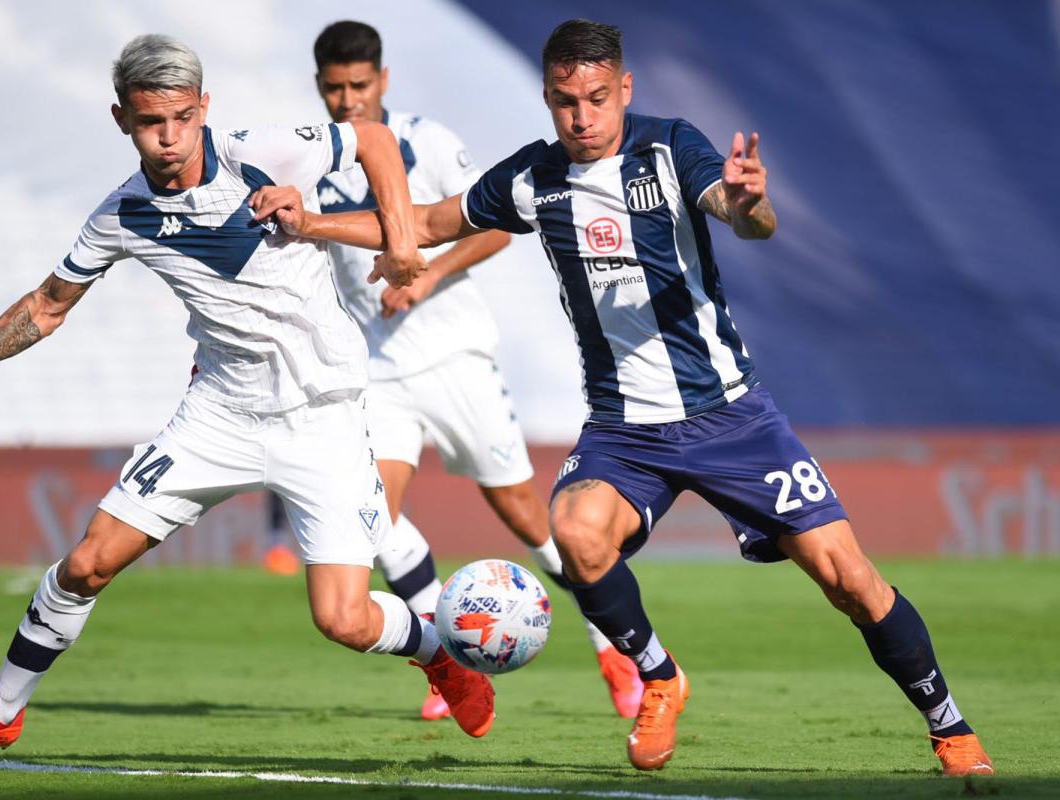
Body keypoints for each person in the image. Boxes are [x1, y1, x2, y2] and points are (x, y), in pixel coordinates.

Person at [251, 18, 994, 779]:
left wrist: (749, 205)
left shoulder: (671, 148)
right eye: (567, 102)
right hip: (623, 432)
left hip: (729, 416)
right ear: (548, 97)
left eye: (598, 98)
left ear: (624, 89)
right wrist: (309, 223)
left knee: (849, 579)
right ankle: (660, 676)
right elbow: (425, 223)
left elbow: (744, 218)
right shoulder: (534, 178)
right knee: (573, 535)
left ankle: (950, 727)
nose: (583, 117)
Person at [0, 33, 494, 765]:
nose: (169, 136)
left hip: (322, 413)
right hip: (218, 413)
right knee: (86, 564)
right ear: (122, 120)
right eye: (151, 122)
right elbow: (49, 304)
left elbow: (371, 138)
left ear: (204, 107)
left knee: (342, 618)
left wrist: (401, 239)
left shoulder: (262, 154)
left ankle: (439, 654)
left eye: (182, 117)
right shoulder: (121, 214)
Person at [309, 19, 642, 722]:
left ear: (383, 80)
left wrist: (427, 275)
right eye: (335, 89)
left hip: (455, 357)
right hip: (378, 370)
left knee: (525, 513)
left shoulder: (425, 142)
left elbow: (496, 223)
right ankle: (453, 659)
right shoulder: (312, 163)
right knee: (372, 517)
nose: (347, 101)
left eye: (359, 86)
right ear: (320, 87)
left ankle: (611, 642)